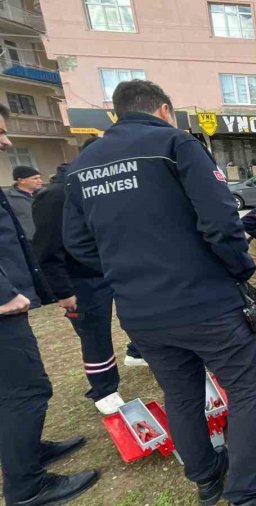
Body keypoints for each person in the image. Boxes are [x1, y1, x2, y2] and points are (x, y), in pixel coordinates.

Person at [62, 80, 256, 506]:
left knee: (181, 394)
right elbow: (221, 221)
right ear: (164, 110)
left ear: (118, 113)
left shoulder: (83, 164)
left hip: (140, 311)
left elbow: (77, 243)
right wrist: (240, 270)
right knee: (245, 390)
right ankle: (245, 495)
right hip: (206, 302)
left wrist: (129, 272)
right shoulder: (175, 144)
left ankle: (207, 480)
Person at [0, 103, 99, 506]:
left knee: (14, 392)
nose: (6, 142)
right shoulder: (57, 194)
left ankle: (25, 450)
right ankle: (27, 487)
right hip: (4, 309)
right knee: (27, 391)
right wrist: (4, 294)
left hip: (16, 298)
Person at [32, 139, 146, 416]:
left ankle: (136, 351)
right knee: (95, 333)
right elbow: (46, 248)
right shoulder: (56, 195)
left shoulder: (104, 186)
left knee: (139, 314)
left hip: (115, 269)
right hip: (82, 279)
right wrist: (63, 291)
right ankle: (104, 389)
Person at [4, 165, 43, 241]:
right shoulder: (7, 197)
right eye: (35, 178)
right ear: (21, 180)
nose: (40, 181)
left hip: (49, 239)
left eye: (39, 178)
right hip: (26, 240)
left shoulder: (46, 193)